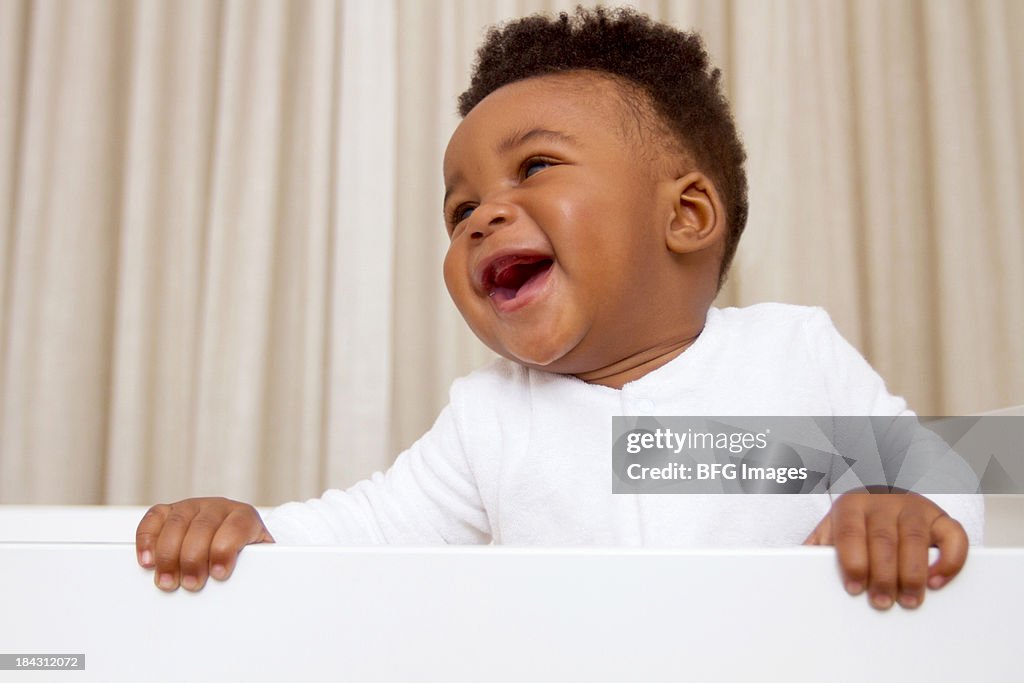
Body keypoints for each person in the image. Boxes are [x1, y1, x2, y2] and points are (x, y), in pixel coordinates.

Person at [135, 7, 982, 611]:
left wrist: (900, 504)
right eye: (459, 210)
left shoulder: (792, 354)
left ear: (684, 216)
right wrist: (251, 530)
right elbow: (369, 529)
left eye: (534, 167)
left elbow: (956, 471)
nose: (483, 216)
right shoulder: (491, 416)